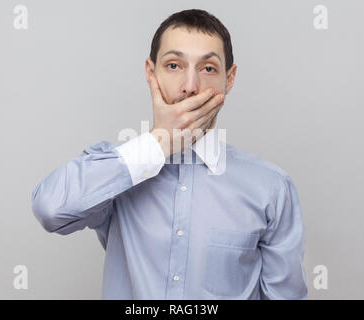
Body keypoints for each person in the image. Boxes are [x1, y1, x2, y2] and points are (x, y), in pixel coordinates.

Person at [31, 8, 308, 299]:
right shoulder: (113, 170)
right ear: (152, 74)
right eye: (174, 66)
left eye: (208, 68)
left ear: (230, 78)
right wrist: (160, 140)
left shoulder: (271, 188)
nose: (190, 87)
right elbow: (51, 209)